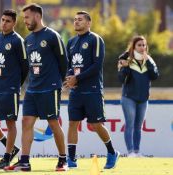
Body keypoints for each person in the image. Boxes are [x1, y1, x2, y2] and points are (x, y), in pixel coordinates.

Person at [4, 3, 68, 172]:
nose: (24, 21)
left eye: (27, 17)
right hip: (33, 89)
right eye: (24, 17)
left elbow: (63, 62)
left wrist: (59, 83)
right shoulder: (28, 40)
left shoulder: (53, 36)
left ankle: (63, 160)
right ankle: (24, 161)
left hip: (50, 88)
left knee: (53, 123)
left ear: (37, 16)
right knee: (26, 122)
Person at [63, 11, 119, 169]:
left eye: (80, 20)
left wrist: (77, 78)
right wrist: (69, 78)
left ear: (89, 23)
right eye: (74, 20)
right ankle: (72, 159)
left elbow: (96, 65)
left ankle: (112, 152)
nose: (76, 22)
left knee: (96, 124)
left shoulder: (95, 39)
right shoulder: (71, 42)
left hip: (92, 90)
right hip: (76, 92)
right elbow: (69, 66)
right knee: (73, 123)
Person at [0, 9, 29, 170]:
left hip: (10, 89)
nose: (4, 23)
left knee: (10, 124)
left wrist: (15, 84)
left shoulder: (18, 41)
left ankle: (7, 158)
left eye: (8, 21)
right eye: (3, 20)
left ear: (14, 23)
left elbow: (25, 66)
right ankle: (11, 147)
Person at [117, 35, 159, 157]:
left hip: (143, 98)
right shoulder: (125, 59)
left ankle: (137, 151)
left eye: (144, 45)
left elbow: (155, 76)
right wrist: (125, 67)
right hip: (128, 97)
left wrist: (149, 62)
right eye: (139, 45)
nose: (142, 47)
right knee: (129, 124)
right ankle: (130, 152)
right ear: (133, 46)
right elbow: (121, 78)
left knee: (138, 126)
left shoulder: (149, 60)